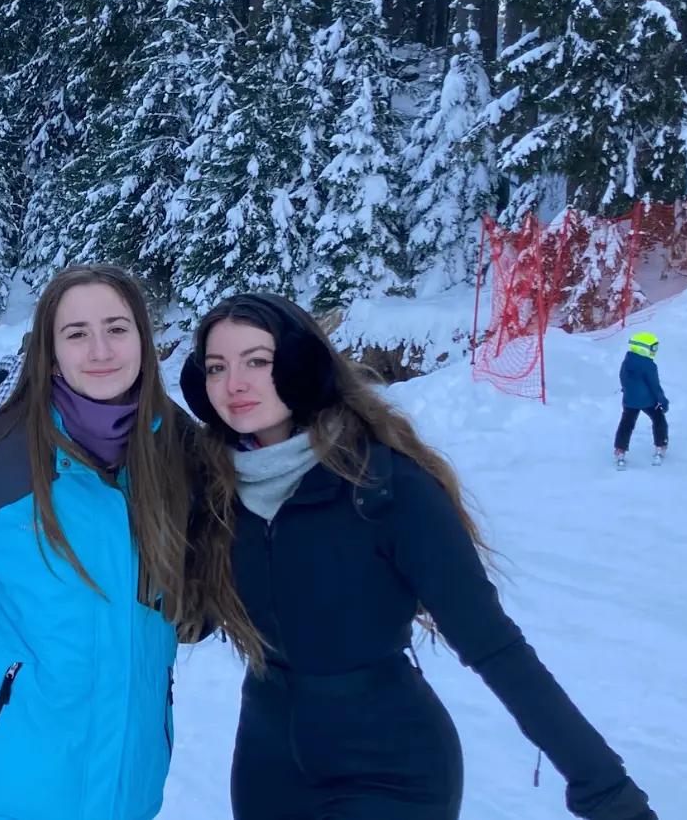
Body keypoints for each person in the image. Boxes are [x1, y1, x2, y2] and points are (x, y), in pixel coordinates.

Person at [179, 291, 657, 820]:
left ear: (302, 364)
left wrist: (607, 792)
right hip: (268, 769)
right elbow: (189, 621)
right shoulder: (216, 492)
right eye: (216, 367)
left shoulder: (384, 486)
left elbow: (494, 646)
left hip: (389, 771)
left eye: (257, 361)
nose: (234, 384)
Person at [0, 266, 195, 820]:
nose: (100, 350)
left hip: (128, 790)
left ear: (144, 342)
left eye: (117, 328)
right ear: (50, 355)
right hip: (4, 795)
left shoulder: (183, 452)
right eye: (76, 333)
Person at [614, 331, 669, 469]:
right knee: (659, 420)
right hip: (648, 401)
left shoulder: (627, 361)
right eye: (653, 348)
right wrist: (662, 400)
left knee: (626, 424)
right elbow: (654, 385)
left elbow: (622, 378)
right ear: (642, 348)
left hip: (630, 400)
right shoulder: (649, 365)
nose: (654, 351)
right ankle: (661, 445)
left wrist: (627, 391)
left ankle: (620, 450)